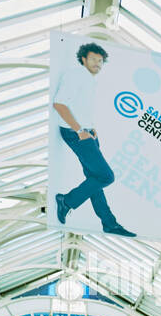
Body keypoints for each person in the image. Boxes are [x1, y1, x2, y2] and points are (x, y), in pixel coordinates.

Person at [51, 42, 135, 237]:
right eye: (93, 59)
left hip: (86, 133)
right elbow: (60, 104)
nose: (98, 64)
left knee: (95, 179)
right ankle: (67, 201)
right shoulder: (76, 75)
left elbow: (79, 106)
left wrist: (90, 127)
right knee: (106, 176)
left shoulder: (88, 79)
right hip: (76, 134)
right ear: (83, 59)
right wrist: (80, 130)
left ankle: (109, 223)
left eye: (100, 61)